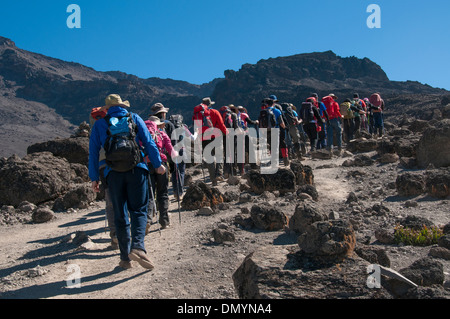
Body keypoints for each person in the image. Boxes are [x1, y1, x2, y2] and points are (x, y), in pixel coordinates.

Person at [89, 94, 166, 270]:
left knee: (120, 214)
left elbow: (93, 152)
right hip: (137, 169)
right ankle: (138, 247)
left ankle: (125, 259)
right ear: (123, 106)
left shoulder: (100, 123)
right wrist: (158, 165)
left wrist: (94, 178)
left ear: (106, 109)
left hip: (112, 173)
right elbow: (149, 143)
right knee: (139, 210)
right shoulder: (135, 118)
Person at [89, 106, 117, 250]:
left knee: (111, 201)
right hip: (122, 162)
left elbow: (93, 152)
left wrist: (94, 178)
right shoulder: (116, 121)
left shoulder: (96, 125)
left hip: (103, 165)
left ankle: (115, 236)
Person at [144, 116, 177, 230]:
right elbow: (171, 151)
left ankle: (148, 219)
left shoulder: (143, 133)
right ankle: (164, 220)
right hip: (162, 164)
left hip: (147, 165)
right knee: (163, 192)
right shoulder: (161, 134)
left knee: (149, 193)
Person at [192, 97, 228, 186]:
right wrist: (226, 133)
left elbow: (197, 128)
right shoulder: (215, 112)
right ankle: (219, 174)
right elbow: (221, 124)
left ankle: (213, 180)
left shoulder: (198, 114)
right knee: (219, 155)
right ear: (210, 104)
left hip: (204, 138)